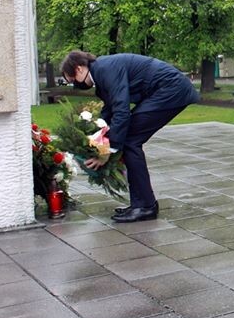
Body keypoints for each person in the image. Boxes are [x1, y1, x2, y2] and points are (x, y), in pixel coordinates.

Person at [60, 51, 200, 222]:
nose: (74, 85)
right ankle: (142, 204)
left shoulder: (104, 70)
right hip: (165, 90)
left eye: (72, 80)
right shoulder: (100, 71)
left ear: (79, 68)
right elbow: (110, 110)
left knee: (130, 141)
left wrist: (107, 151)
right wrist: (96, 138)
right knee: (128, 140)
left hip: (170, 89)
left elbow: (121, 110)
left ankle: (145, 206)